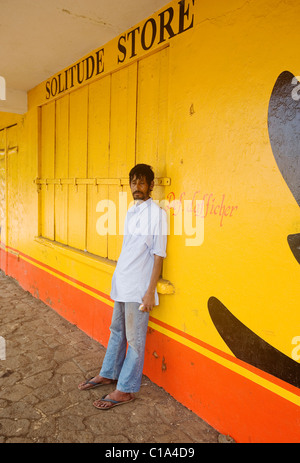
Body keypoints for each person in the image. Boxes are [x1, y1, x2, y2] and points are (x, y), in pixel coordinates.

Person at [78, 164, 167, 410]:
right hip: (122, 281)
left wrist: (150, 291)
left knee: (135, 340)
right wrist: (116, 278)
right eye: (133, 183)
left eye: (141, 183)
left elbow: (159, 255)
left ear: (151, 185)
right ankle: (108, 373)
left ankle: (125, 390)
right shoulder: (131, 211)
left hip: (139, 287)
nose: (136, 188)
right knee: (117, 331)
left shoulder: (158, 214)